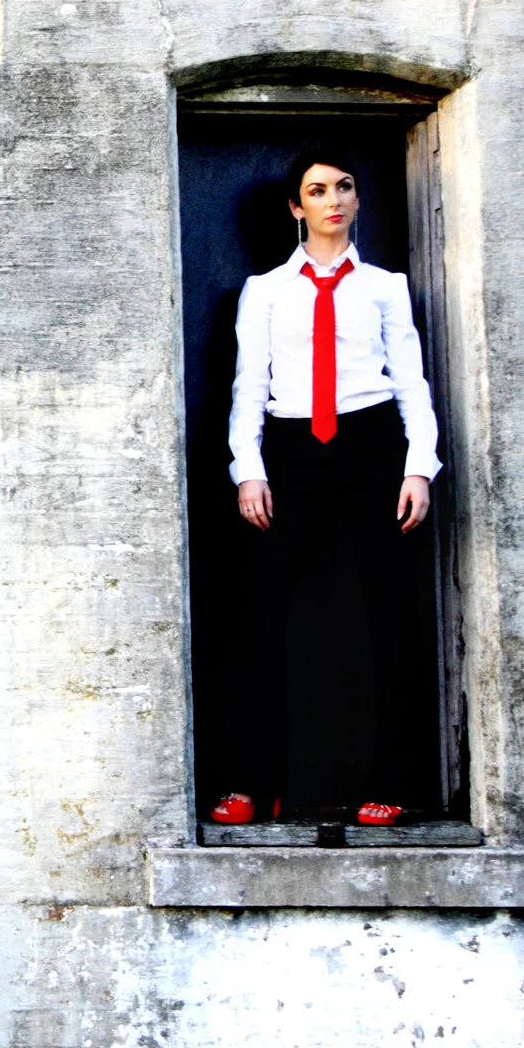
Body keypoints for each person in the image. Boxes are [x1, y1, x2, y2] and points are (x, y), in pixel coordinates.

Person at [211, 153, 439, 829]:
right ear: (295, 207)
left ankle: (395, 780)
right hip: (290, 451)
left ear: (358, 199)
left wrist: (418, 465)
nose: (332, 200)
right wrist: (247, 467)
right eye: (317, 190)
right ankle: (254, 783)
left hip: (373, 447)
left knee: (390, 618)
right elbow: (249, 384)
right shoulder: (266, 290)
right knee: (259, 619)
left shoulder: (385, 288)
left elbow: (411, 381)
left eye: (344, 186)